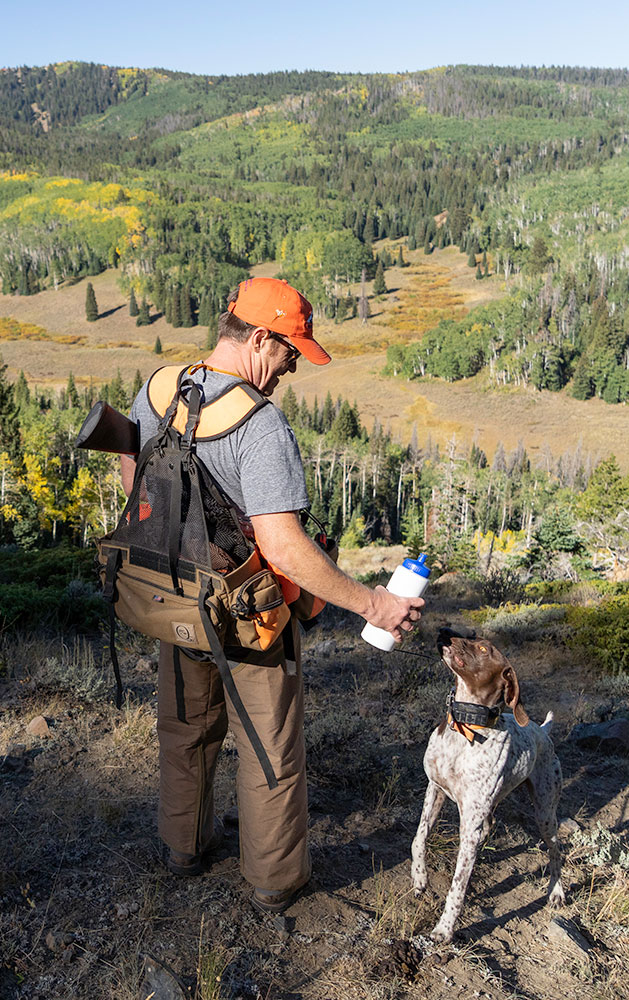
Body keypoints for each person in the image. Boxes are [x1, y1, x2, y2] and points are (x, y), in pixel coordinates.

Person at [120, 277, 424, 913]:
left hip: (173, 598)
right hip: (247, 616)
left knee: (185, 729)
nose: (290, 368)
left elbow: (132, 479)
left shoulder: (156, 390)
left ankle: (184, 849)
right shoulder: (259, 427)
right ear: (259, 337)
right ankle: (274, 881)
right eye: (290, 352)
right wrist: (374, 605)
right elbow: (283, 549)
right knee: (269, 750)